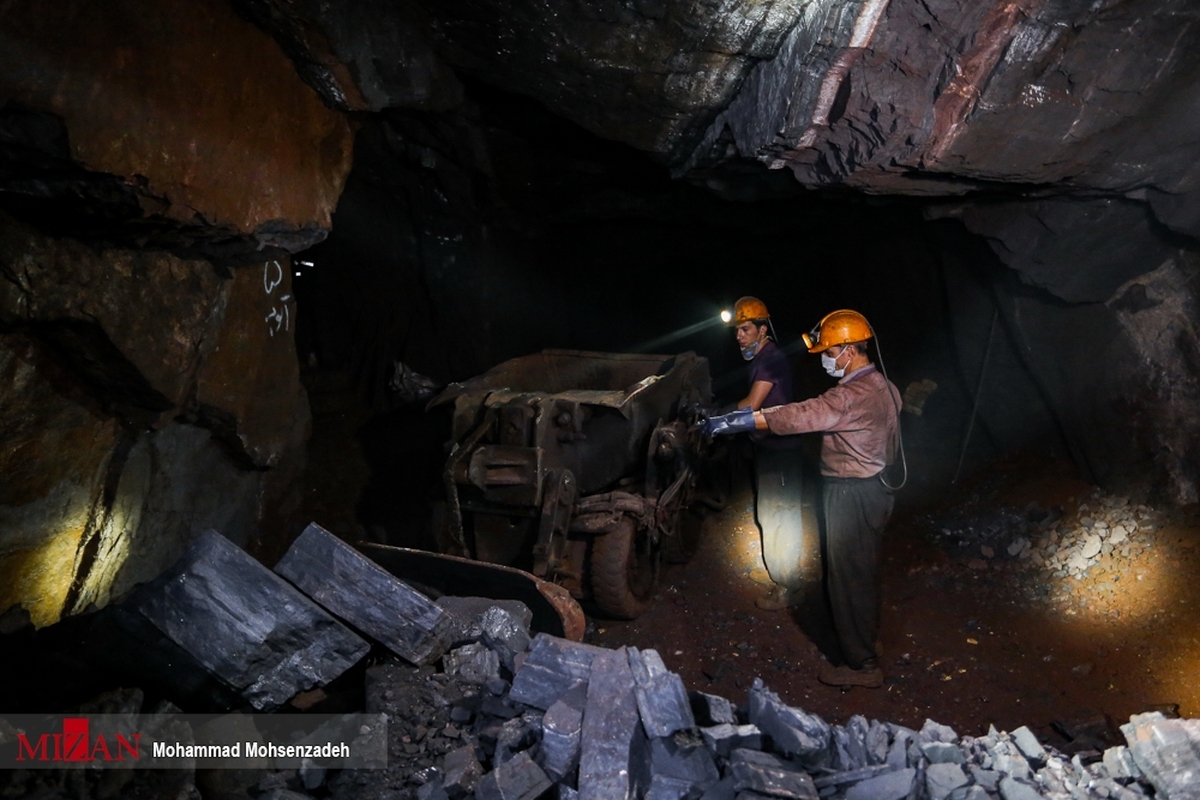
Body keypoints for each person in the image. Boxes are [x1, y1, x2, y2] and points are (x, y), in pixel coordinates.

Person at [702, 309, 900, 688]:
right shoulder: (885, 388)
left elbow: (799, 415)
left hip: (851, 494)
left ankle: (862, 666)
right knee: (858, 572)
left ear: (848, 350)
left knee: (848, 577)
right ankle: (861, 644)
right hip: (874, 488)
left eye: (829, 351)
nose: (827, 358)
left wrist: (735, 421)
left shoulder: (851, 395)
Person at [725, 297, 807, 611]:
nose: (739, 336)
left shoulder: (771, 358)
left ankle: (788, 586)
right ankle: (780, 575)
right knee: (769, 514)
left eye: (745, 329)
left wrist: (717, 416)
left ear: (762, 329)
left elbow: (751, 405)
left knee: (780, 517)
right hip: (769, 447)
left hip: (782, 450)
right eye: (737, 330)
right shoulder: (761, 358)